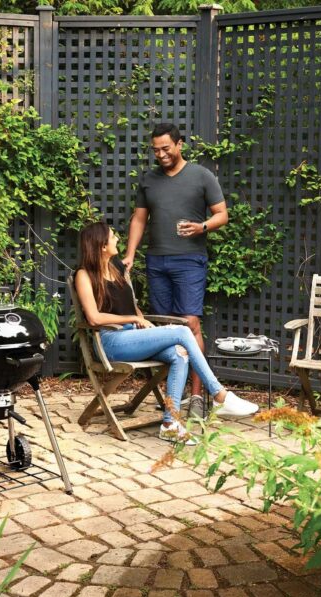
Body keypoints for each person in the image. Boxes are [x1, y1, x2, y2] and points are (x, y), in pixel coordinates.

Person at [75, 222, 259, 444]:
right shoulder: (84, 275)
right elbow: (94, 318)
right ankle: (219, 395)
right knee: (182, 331)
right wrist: (134, 319)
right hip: (110, 342)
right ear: (101, 245)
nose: (117, 239)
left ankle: (170, 424)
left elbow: (131, 308)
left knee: (179, 353)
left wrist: (139, 318)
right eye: (113, 237)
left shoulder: (117, 270)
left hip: (133, 337)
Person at [123, 123, 228, 415]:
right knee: (167, 328)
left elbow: (222, 214)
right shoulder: (148, 179)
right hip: (156, 261)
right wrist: (130, 254)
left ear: (180, 145)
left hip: (189, 260)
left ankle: (196, 397)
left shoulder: (201, 176)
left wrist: (202, 226)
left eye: (166, 148)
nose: (160, 154)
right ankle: (174, 395)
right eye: (155, 149)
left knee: (190, 323)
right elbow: (139, 219)